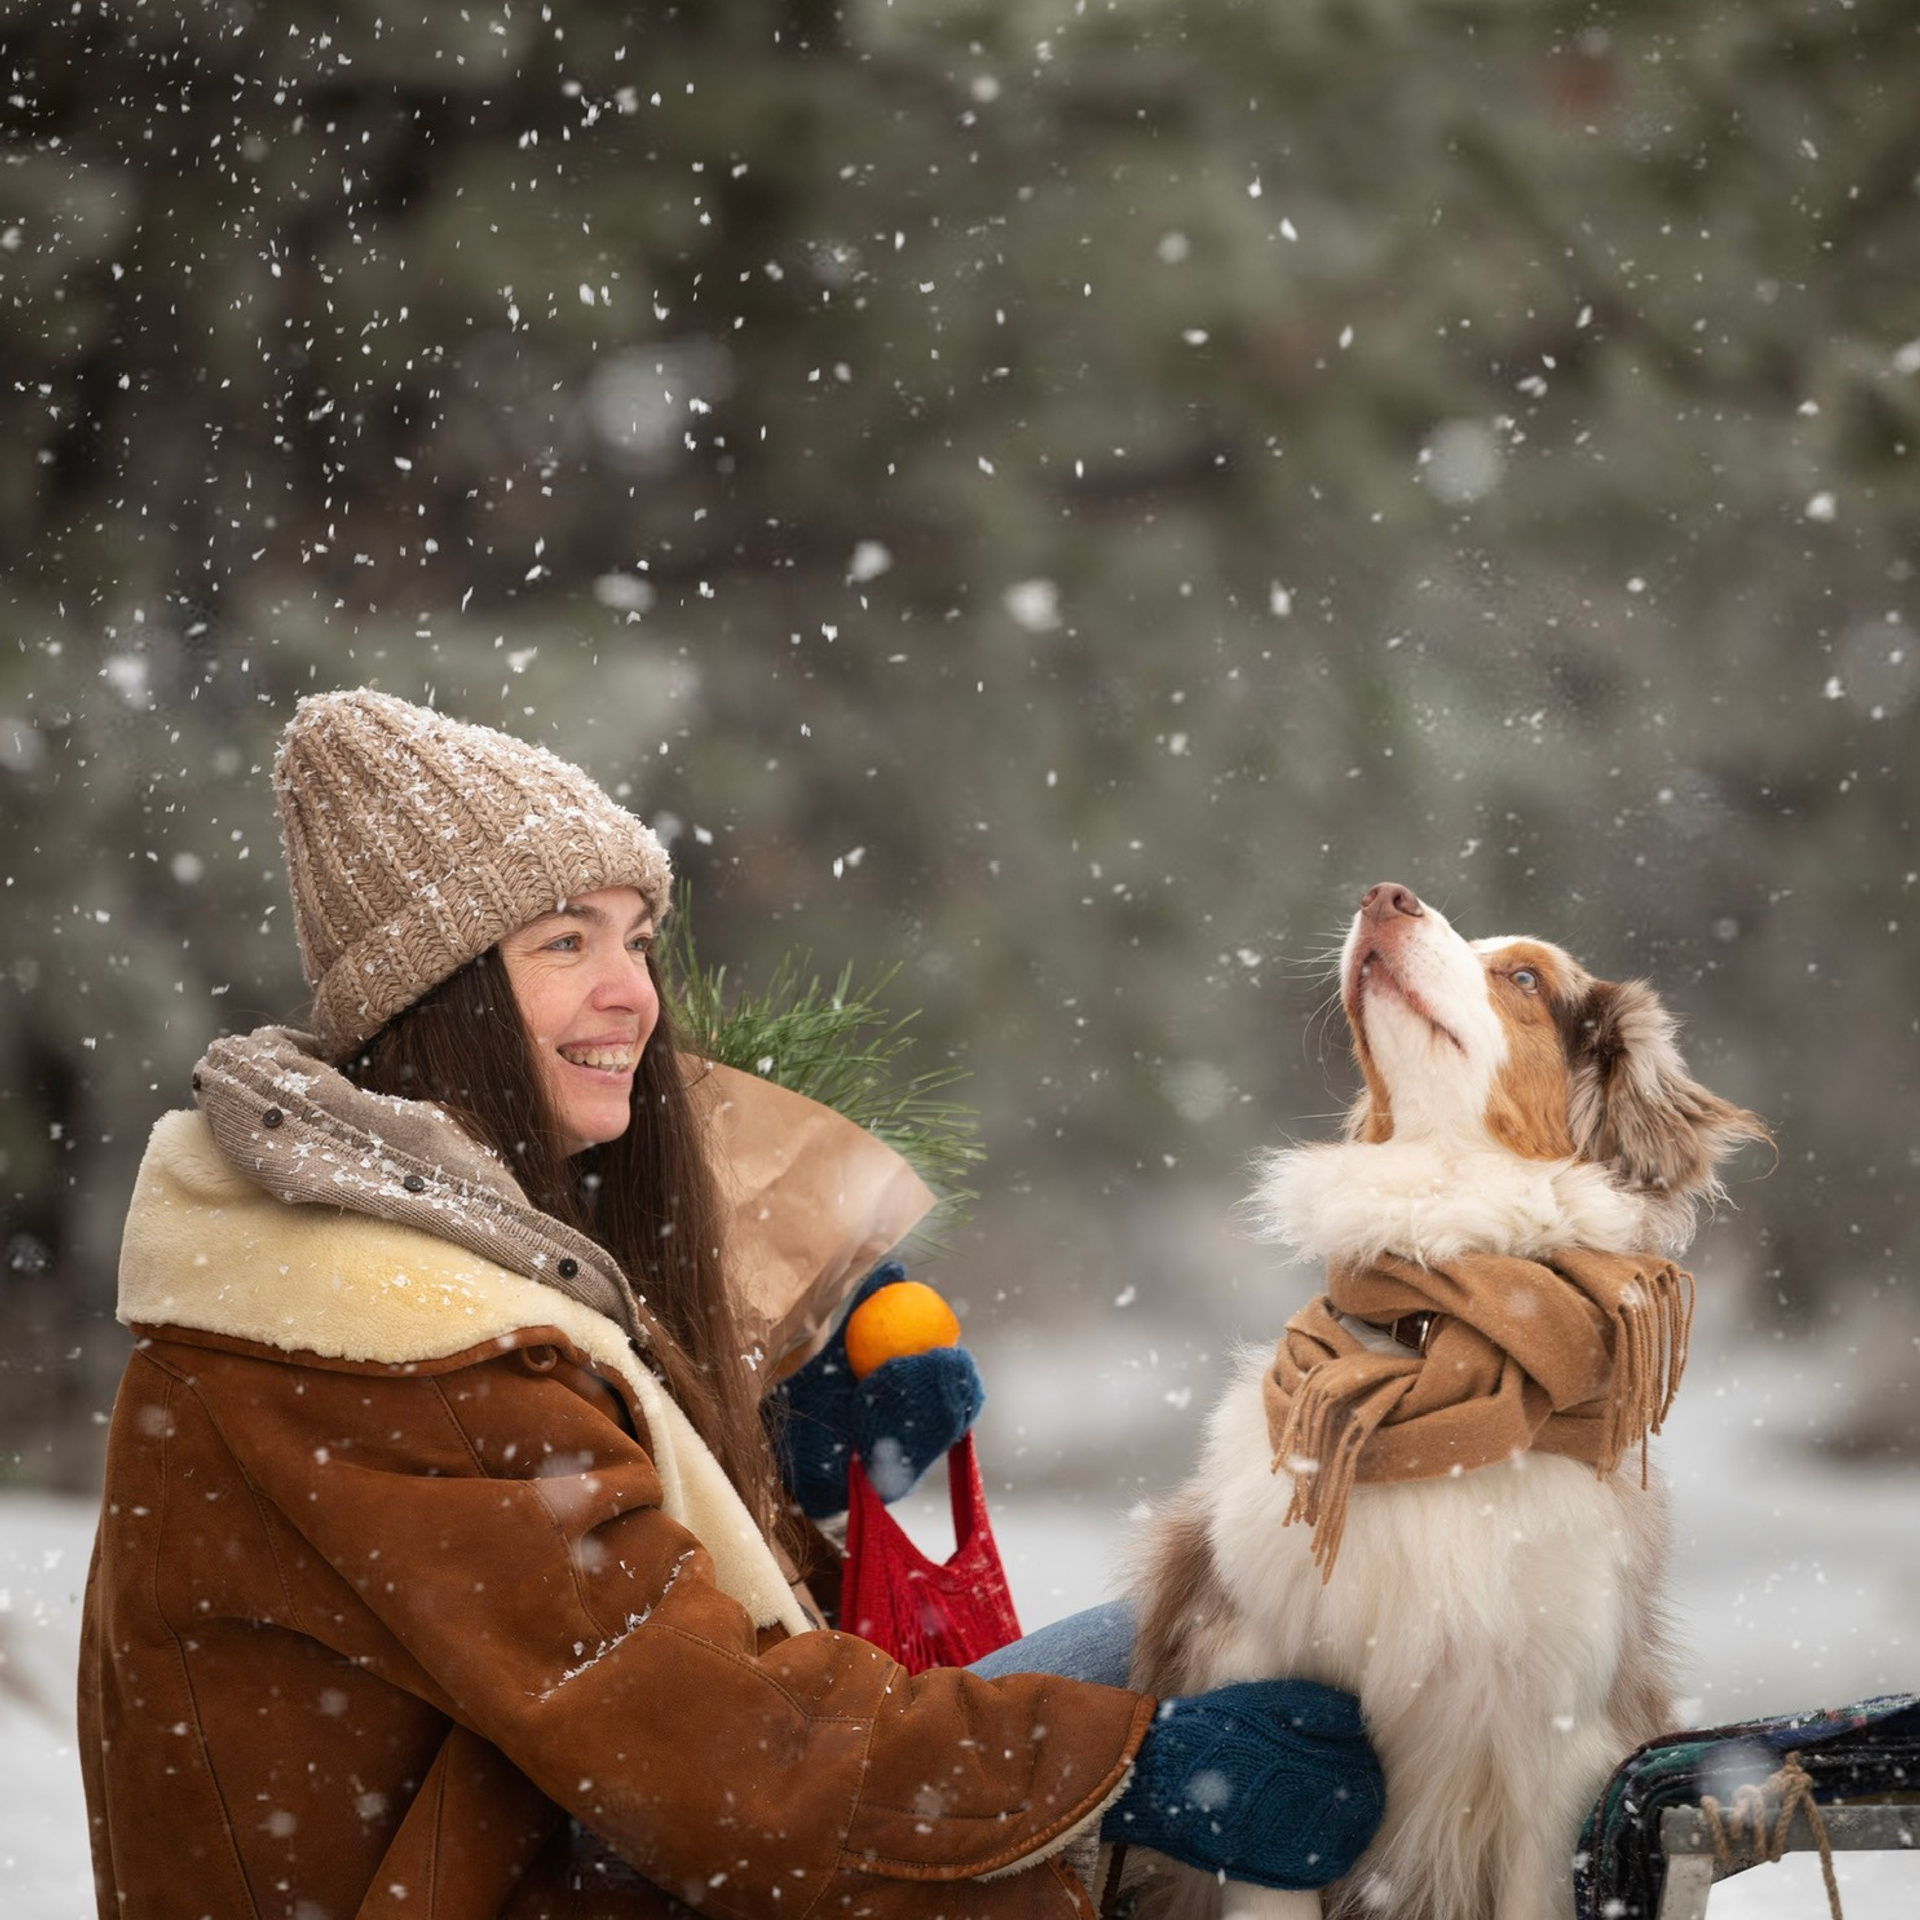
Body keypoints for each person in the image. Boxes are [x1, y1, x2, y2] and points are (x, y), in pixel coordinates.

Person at [77, 688, 1384, 1918]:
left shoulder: (418, 1276)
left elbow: (594, 1671)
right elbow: (721, 1750)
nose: (632, 992)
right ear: (441, 997)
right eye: (564, 942)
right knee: (1223, 1651)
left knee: (1218, 1646)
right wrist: (1138, 1767)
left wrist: (770, 1471)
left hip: (569, 1870)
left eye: (636, 940)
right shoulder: (377, 1336)